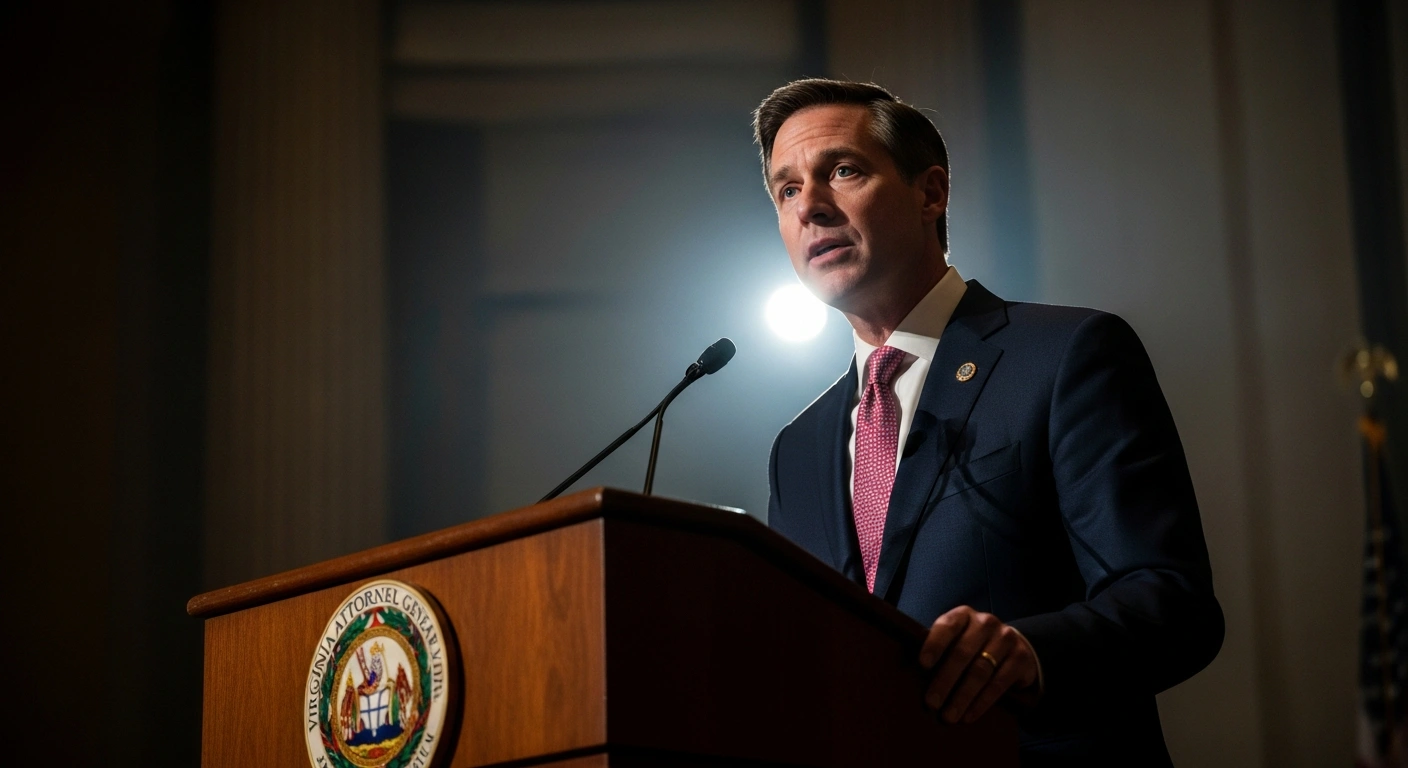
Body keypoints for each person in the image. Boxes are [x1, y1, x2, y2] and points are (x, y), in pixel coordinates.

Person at [757, 78, 1223, 765]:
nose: (811, 209)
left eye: (843, 170)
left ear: (931, 193)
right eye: (786, 190)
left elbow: (1172, 605)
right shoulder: (798, 449)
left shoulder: (1065, 357)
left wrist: (1033, 652)